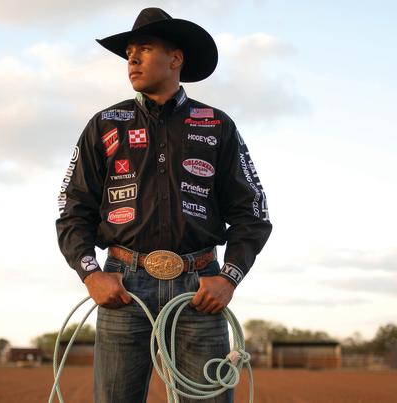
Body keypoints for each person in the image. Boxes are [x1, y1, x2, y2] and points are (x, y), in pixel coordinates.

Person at [56, 7, 272, 403]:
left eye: (144, 49)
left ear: (176, 59)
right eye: (129, 53)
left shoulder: (216, 125)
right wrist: (90, 274)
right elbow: (73, 209)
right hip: (122, 283)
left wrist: (228, 277)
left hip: (199, 288)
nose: (132, 59)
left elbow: (252, 213)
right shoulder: (106, 124)